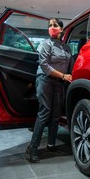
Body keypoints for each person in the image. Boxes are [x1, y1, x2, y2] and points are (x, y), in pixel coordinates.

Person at [26, 18, 73, 163]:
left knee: (56, 115)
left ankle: (51, 145)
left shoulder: (66, 48)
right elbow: (45, 66)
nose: (52, 28)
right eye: (50, 26)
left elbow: (71, 66)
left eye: (55, 25)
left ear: (62, 29)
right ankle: (33, 147)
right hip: (45, 80)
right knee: (44, 112)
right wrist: (64, 76)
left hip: (59, 83)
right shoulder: (45, 44)